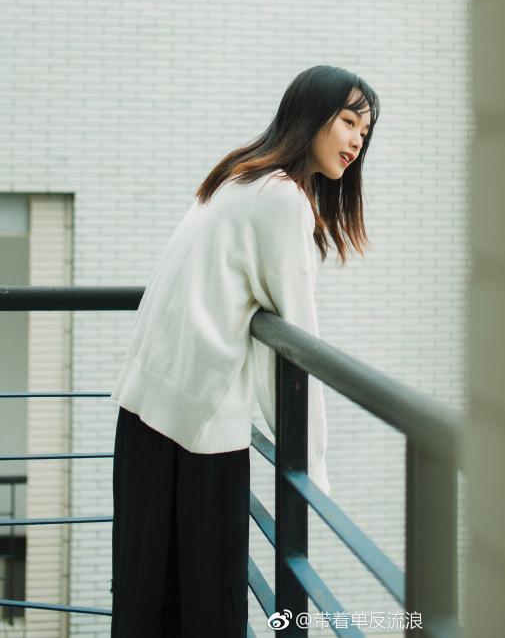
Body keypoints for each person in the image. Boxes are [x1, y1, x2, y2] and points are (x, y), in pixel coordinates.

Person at [109, 64, 379, 638]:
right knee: (211, 610)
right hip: (197, 431)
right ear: (311, 114)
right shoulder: (283, 200)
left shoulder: (239, 174)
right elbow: (297, 343)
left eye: (366, 130)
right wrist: (311, 470)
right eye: (349, 121)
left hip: (146, 412)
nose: (358, 140)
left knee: (147, 602)